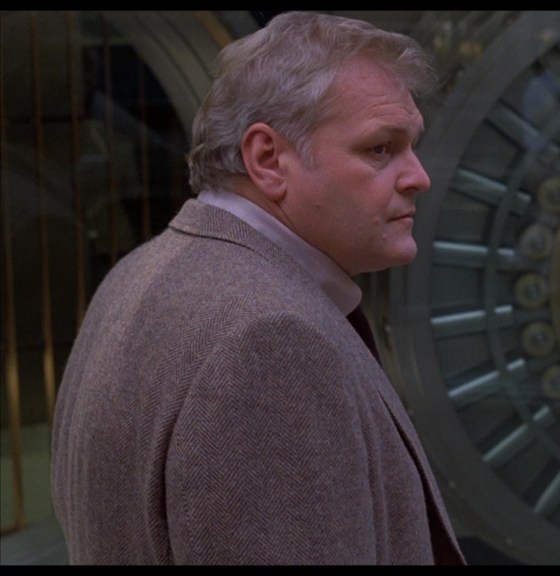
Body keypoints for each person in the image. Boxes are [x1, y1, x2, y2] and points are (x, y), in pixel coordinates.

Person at [50, 11, 466, 565]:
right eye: (380, 149)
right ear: (269, 159)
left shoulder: (140, 273)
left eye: (412, 145)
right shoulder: (270, 344)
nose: (419, 176)